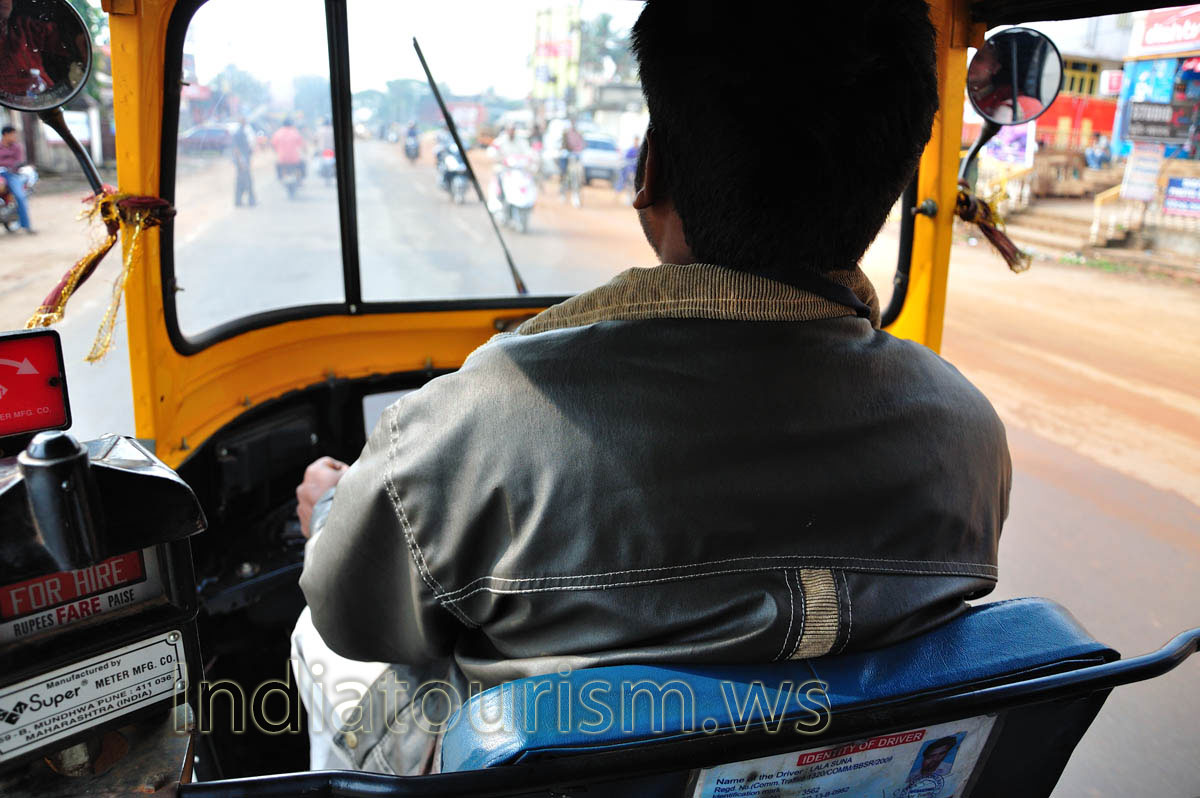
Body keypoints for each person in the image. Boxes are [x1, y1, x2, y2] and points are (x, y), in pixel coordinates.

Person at [293, 0, 1009, 775]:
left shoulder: (479, 424)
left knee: (316, 641)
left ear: (650, 168)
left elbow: (348, 616)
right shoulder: (968, 435)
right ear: (891, 183)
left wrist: (329, 512)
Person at [0, 124, 33, 233]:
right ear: (5, 135)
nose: (15, 137)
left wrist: (8, 167)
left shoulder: (17, 147)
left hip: (12, 174)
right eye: (13, 134)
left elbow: (18, 162)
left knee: (20, 196)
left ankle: (26, 225)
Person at [270, 117, 306, 181]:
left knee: (277, 165)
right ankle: (302, 177)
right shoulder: (295, 132)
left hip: (282, 159)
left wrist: (277, 151)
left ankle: (280, 177)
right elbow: (301, 144)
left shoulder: (278, 133)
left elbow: (273, 145)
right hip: (295, 159)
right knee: (303, 163)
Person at [231, 117, 256, 207]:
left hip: (242, 161)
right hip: (242, 161)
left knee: (241, 181)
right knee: (246, 181)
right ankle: (250, 201)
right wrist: (241, 161)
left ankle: (239, 201)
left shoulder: (241, 132)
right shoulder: (238, 133)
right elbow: (236, 149)